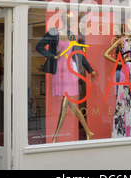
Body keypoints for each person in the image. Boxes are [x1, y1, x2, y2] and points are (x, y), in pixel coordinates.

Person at [36, 11, 97, 142]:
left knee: (66, 104)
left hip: (70, 70)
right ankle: (88, 132)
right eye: (72, 20)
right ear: (66, 20)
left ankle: (55, 138)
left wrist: (90, 70)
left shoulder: (71, 35)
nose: (74, 23)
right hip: (60, 71)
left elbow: (78, 53)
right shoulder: (54, 32)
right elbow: (39, 46)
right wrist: (53, 56)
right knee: (71, 105)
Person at [104, 17, 131, 137]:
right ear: (124, 25)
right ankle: (125, 130)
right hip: (127, 70)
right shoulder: (121, 40)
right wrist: (120, 63)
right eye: (128, 24)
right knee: (126, 98)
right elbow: (106, 54)